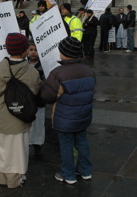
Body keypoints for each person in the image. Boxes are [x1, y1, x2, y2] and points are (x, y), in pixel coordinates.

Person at [0, 33, 42, 188]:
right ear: (24, 51)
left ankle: (2, 176)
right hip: (19, 116)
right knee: (17, 152)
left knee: (1, 149)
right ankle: (14, 179)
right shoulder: (31, 72)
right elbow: (35, 91)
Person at [40, 37, 95, 185]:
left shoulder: (58, 73)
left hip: (65, 117)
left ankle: (68, 174)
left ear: (63, 52)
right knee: (82, 142)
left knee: (66, 145)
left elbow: (47, 96)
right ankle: (85, 171)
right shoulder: (89, 71)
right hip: (84, 115)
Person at [27, 39, 45, 157]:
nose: (33, 52)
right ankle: (27, 143)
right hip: (27, 99)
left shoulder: (43, 65)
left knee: (38, 123)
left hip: (39, 99)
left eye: (36, 50)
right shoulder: (24, 64)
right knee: (27, 123)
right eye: (31, 50)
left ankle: (37, 145)